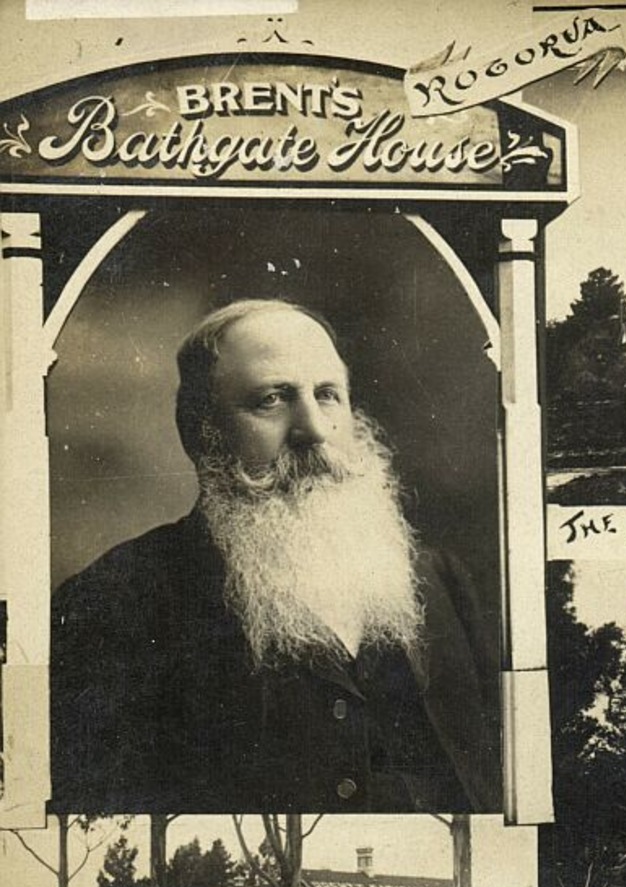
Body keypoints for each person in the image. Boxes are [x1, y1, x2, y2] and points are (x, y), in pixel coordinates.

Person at [50, 299, 502, 814]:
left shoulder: (440, 582)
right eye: (271, 399)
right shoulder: (114, 600)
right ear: (201, 431)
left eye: (329, 396)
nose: (313, 428)